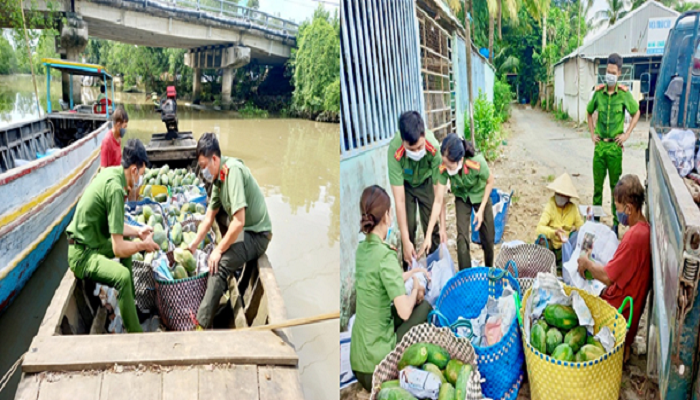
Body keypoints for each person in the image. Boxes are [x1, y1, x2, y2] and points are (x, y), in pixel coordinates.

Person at [66, 139, 160, 333]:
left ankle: (131, 308)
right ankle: (135, 333)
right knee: (124, 276)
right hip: (82, 255)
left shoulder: (113, 174)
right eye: (141, 174)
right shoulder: (116, 189)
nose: (140, 180)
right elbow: (117, 248)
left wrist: (138, 232)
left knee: (129, 248)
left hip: (92, 242)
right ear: (134, 170)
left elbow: (115, 225)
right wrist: (143, 246)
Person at [350, 185, 431, 391]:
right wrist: (414, 290)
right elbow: (404, 312)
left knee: (394, 307)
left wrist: (412, 273)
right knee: (424, 306)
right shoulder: (385, 255)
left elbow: (386, 278)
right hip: (376, 369)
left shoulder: (363, 249)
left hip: (358, 363)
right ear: (386, 216)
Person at [188, 132, 272, 329]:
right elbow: (209, 217)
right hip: (245, 230)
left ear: (214, 159)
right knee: (220, 234)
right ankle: (218, 304)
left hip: (256, 235)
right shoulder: (218, 179)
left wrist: (219, 250)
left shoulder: (231, 171)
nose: (203, 172)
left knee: (219, 265)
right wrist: (193, 245)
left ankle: (200, 324)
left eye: (203, 167)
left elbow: (238, 222)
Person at [577, 175, 651, 363]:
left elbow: (608, 277)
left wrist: (587, 263)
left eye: (618, 209)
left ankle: (616, 351)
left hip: (621, 306)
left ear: (629, 208)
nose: (617, 214)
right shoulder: (643, 229)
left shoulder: (634, 236)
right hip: (630, 301)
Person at [420, 134, 495, 270]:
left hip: (479, 195)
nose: (446, 168)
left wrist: (482, 209)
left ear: (460, 159)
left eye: (450, 165)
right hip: (462, 197)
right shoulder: (443, 169)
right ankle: (465, 276)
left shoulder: (476, 162)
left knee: (489, 237)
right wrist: (428, 235)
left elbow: (490, 181)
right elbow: (437, 201)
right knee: (461, 239)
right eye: (445, 164)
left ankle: (490, 270)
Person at [587, 53, 641, 236]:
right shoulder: (598, 93)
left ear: (619, 73)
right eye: (607, 71)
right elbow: (589, 112)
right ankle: (595, 222)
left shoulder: (624, 95)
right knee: (597, 188)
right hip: (600, 146)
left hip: (615, 148)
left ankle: (615, 226)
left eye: (612, 72)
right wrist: (592, 134)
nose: (609, 75)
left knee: (615, 189)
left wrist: (626, 134)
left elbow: (637, 113)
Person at [387, 111, 442, 269]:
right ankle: (407, 273)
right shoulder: (394, 151)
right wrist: (405, 240)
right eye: (412, 149)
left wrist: (430, 233)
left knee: (432, 227)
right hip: (406, 186)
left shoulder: (434, 148)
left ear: (424, 134)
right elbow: (399, 200)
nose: (417, 152)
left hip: (426, 182)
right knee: (408, 228)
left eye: (420, 147)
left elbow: (438, 195)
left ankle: (435, 269)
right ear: (403, 141)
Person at [535, 173, 585, 265]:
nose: (560, 197)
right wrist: (554, 233)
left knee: (578, 236)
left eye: (563, 195)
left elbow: (580, 226)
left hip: (564, 246)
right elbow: (539, 229)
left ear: (568, 197)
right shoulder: (551, 205)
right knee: (542, 240)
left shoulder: (573, 208)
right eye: (558, 194)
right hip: (551, 245)